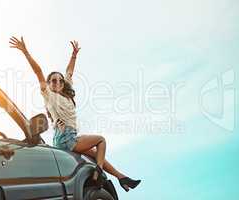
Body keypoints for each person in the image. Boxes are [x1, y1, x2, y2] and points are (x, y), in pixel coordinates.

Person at [9, 36, 141, 192]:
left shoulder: (67, 95)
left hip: (68, 137)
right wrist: (25, 52)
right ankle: (98, 173)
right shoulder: (49, 96)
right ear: (49, 83)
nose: (57, 82)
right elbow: (38, 72)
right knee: (101, 141)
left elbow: (69, 72)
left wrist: (74, 55)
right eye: (53, 81)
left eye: (60, 80)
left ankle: (121, 178)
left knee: (95, 154)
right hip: (66, 139)